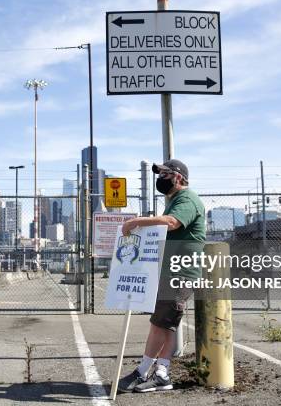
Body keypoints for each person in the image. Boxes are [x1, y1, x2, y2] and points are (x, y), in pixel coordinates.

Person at [117, 159, 206, 393]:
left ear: (178, 177)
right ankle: (156, 373)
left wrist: (136, 222)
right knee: (164, 324)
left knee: (160, 323)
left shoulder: (187, 199)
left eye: (166, 174)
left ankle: (148, 372)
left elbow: (172, 223)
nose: (161, 178)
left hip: (180, 272)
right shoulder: (175, 200)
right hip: (172, 271)